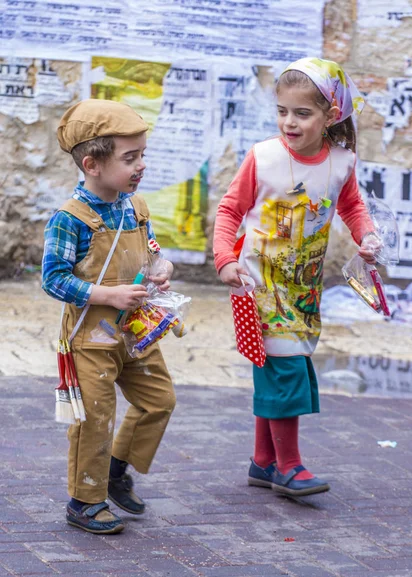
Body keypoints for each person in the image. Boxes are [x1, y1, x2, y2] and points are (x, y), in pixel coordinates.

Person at [213, 57, 379, 498]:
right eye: (283, 111)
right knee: (285, 369)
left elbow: (352, 207)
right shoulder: (263, 157)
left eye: (302, 113)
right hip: (259, 285)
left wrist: (368, 237)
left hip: (304, 288)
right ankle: (290, 467)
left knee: (285, 365)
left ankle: (263, 462)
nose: (289, 121)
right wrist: (225, 259)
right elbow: (230, 209)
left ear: (330, 116)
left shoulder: (341, 162)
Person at [42, 99, 176, 533]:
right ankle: (84, 501)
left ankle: (117, 472)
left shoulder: (135, 207)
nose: (141, 167)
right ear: (92, 164)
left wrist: (161, 267)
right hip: (89, 338)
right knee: (94, 419)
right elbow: (53, 279)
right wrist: (106, 293)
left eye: (143, 156)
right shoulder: (69, 219)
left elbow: (150, 249)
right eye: (129, 158)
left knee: (160, 400)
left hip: (135, 332)